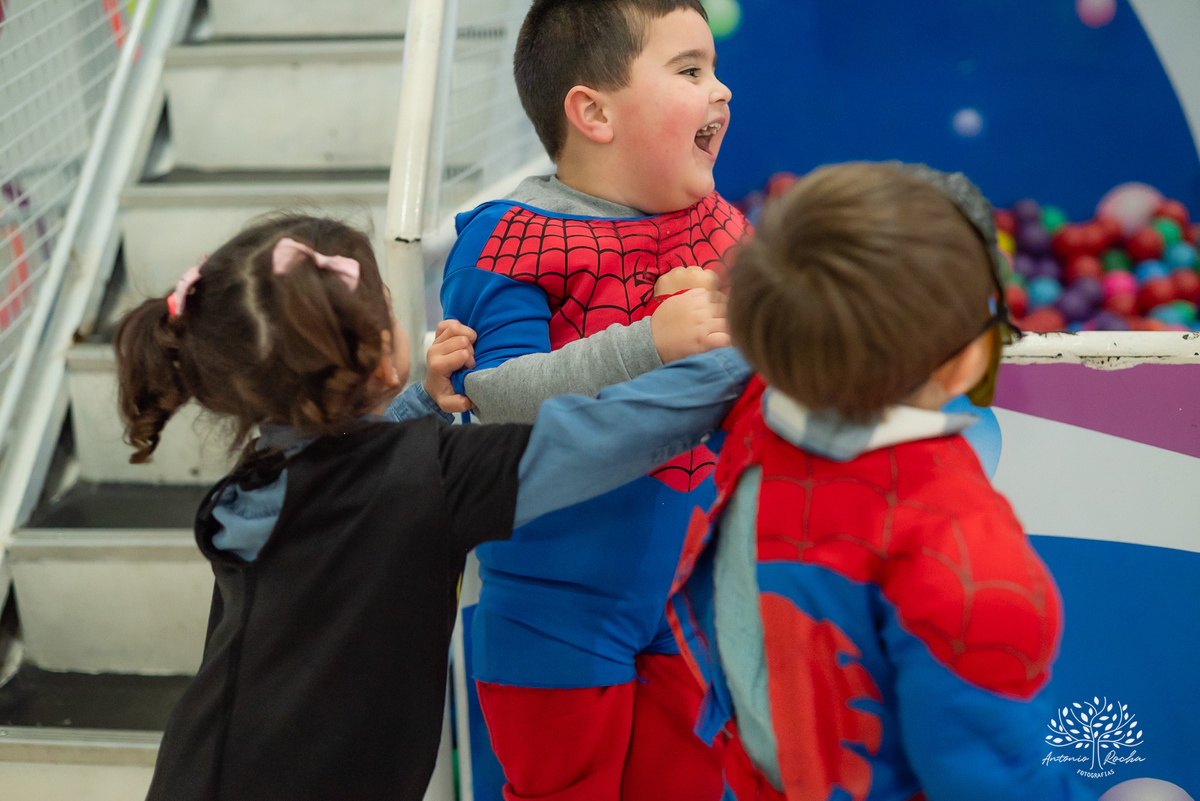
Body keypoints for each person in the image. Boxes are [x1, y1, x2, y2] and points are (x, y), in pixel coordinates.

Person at [114, 214, 751, 801]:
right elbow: (614, 434)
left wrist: (419, 405)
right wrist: (733, 343)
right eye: (389, 305)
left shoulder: (261, 473)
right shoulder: (434, 477)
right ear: (375, 353)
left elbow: (346, 473)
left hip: (202, 769)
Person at [667, 163, 1097, 801]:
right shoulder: (966, 557)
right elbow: (994, 781)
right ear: (966, 362)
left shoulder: (757, 414)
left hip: (755, 769)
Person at [438, 1, 746, 798]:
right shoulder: (511, 237)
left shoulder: (721, 228)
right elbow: (495, 397)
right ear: (594, 113)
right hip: (554, 606)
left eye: (713, 68)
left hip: (692, 600)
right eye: (690, 70)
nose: (721, 91)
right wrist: (652, 340)